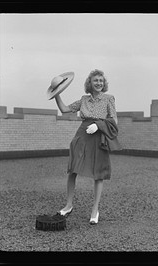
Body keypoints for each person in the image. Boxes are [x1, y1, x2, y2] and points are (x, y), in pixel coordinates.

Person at [54, 69, 121, 225]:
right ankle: (69, 205)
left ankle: (95, 209)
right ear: (89, 83)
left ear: (104, 84)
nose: (98, 83)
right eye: (95, 80)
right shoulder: (83, 100)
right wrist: (56, 93)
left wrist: (98, 125)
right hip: (82, 135)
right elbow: (64, 109)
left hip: (99, 135)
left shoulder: (109, 99)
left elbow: (114, 121)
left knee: (98, 173)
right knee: (73, 169)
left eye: (101, 80)